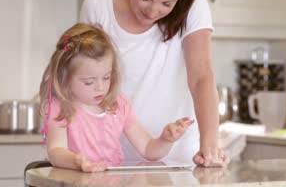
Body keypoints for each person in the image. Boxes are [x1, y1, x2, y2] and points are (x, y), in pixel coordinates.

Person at [80, 0, 230, 167]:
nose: (152, 11)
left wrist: (210, 145)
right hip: (109, 155)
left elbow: (201, 76)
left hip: (177, 155)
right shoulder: (98, 4)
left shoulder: (192, 3)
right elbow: (83, 79)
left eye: (166, 4)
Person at [40, 23, 194, 172]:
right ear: (65, 78)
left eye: (106, 77)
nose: (100, 87)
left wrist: (165, 140)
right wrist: (78, 162)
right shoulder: (60, 107)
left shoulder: (119, 105)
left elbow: (148, 148)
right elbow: (55, 151)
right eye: (89, 82)